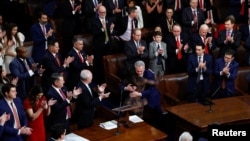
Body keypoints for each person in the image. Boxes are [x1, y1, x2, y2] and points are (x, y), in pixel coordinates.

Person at [124, 60, 162, 125]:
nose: (139, 73)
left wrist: (140, 94)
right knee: (126, 104)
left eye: (141, 71)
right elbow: (123, 83)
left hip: (149, 95)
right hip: (135, 94)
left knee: (138, 107)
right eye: (137, 71)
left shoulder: (149, 75)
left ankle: (140, 124)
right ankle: (129, 122)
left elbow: (152, 89)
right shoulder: (131, 72)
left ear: (144, 69)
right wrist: (126, 88)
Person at [91, 5, 115, 84]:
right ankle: (99, 81)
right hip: (99, 46)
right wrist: (103, 28)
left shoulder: (109, 19)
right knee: (99, 64)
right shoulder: (94, 21)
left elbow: (112, 33)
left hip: (108, 45)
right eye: (101, 12)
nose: (103, 14)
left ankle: (108, 79)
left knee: (108, 63)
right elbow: (94, 33)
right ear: (98, 12)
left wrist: (111, 30)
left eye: (104, 12)